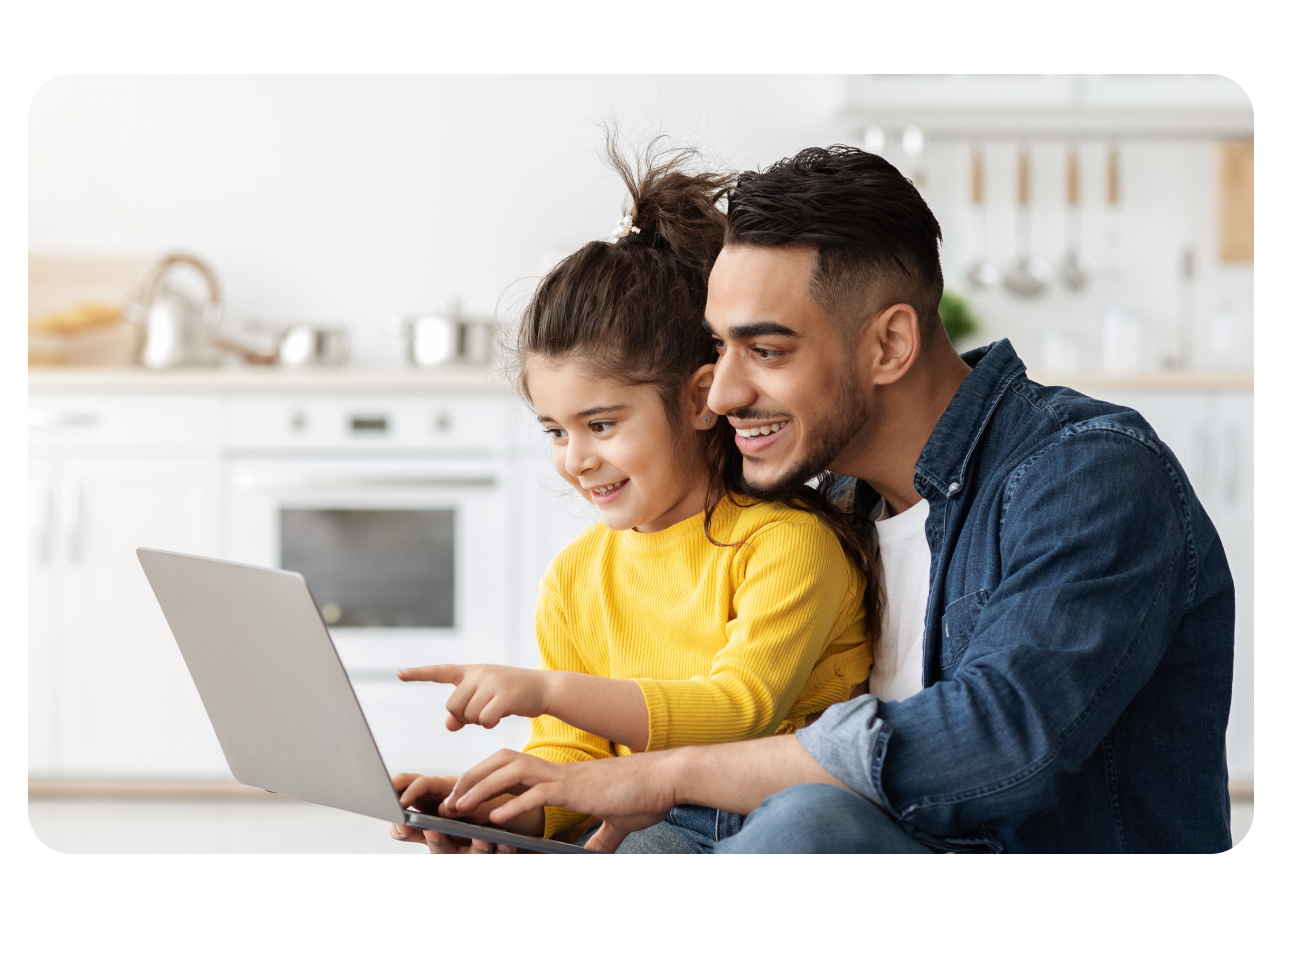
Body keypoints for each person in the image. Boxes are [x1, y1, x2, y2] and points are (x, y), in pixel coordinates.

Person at [439, 145, 1236, 854]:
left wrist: (667, 774)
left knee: (801, 823)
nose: (720, 392)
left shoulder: (1086, 475)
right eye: (719, 347)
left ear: (889, 344)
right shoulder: (834, 504)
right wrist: (523, 810)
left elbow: (999, 742)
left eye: (767, 349)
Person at [389, 141, 876, 854]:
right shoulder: (576, 577)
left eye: (603, 425)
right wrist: (505, 811)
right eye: (555, 430)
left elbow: (739, 712)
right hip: (637, 822)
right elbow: (573, 755)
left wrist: (547, 690)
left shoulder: (787, 545)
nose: (576, 460)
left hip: (769, 821)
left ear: (700, 399)